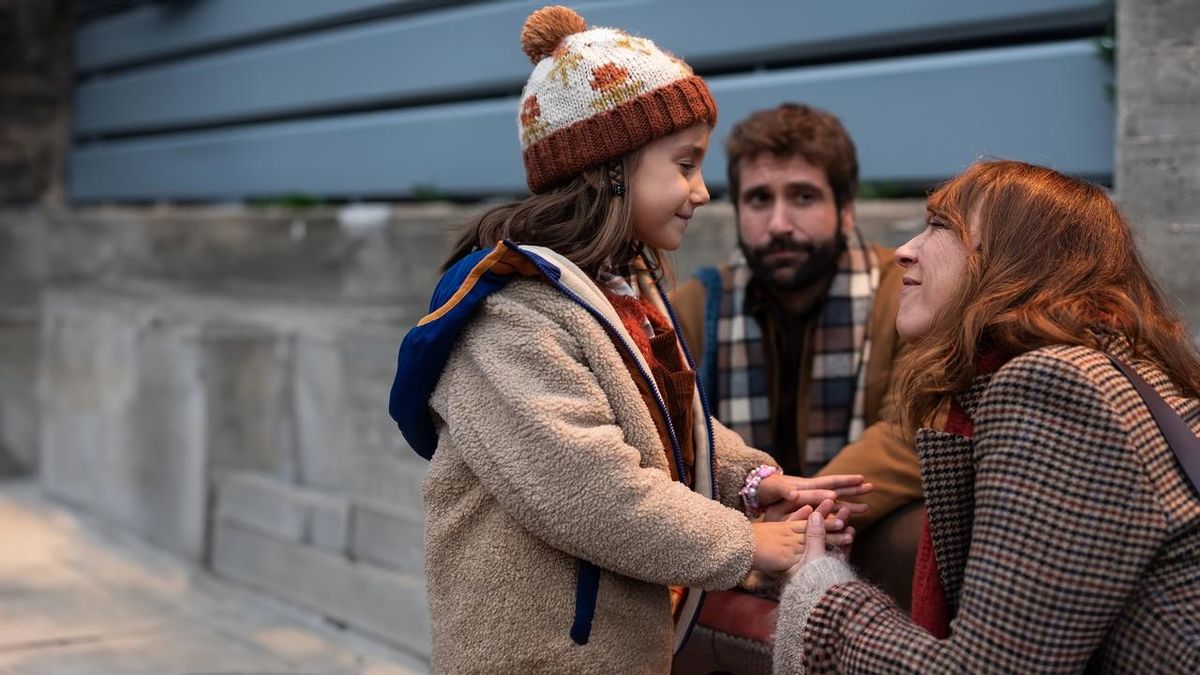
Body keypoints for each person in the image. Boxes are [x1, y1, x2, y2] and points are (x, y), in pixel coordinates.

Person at [387, 7, 870, 673]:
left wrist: (752, 479)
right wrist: (750, 542)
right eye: (685, 163)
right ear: (611, 166)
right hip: (538, 655)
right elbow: (589, 488)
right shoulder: (508, 315)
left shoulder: (622, 286)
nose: (702, 191)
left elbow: (671, 422)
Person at [773, 160, 1200, 673]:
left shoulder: (1057, 386)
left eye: (938, 226)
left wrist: (824, 596)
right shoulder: (1104, 368)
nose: (904, 252)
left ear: (1014, 258)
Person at [670, 104, 923, 602]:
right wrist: (757, 530)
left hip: (856, 530)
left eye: (803, 197)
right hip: (739, 537)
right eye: (760, 199)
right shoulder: (696, 308)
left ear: (845, 209)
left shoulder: (904, 296)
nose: (780, 223)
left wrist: (798, 516)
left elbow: (911, 429)